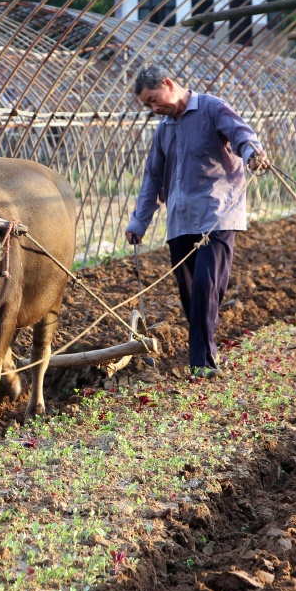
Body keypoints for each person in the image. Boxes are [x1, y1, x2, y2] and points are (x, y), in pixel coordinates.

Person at [124, 67, 270, 378]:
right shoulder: (163, 129)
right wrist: (139, 223)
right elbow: (152, 178)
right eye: (147, 106)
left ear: (168, 85)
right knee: (191, 294)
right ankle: (208, 351)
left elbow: (242, 134)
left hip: (217, 215)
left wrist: (253, 154)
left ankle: (201, 364)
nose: (153, 108)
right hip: (180, 221)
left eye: (154, 100)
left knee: (206, 287)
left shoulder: (211, 107)